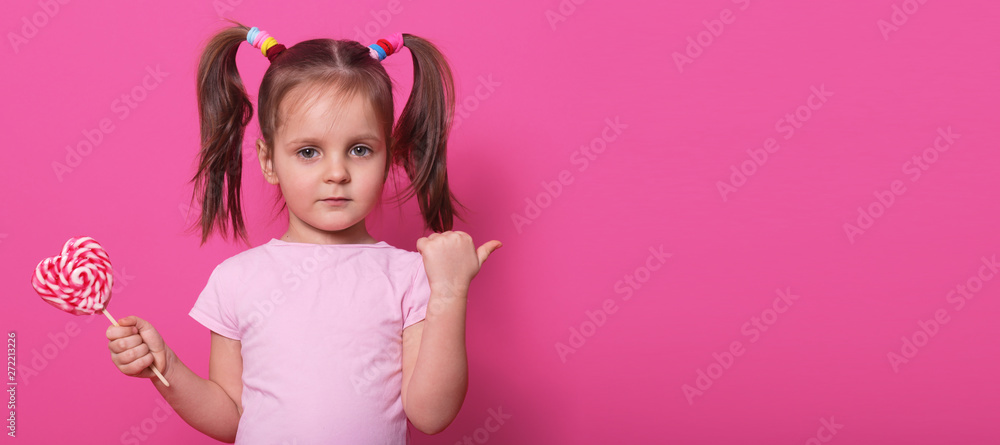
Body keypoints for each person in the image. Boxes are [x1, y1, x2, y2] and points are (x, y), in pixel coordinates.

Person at [106, 19, 501, 444]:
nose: (337, 173)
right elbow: (232, 417)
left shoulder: (411, 276)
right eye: (309, 152)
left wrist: (449, 292)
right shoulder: (236, 279)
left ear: (388, 156)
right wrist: (166, 368)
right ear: (269, 159)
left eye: (360, 150)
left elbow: (430, 414)